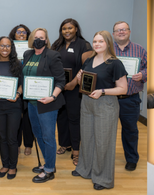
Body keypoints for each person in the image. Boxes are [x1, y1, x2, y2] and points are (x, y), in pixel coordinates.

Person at [71, 31, 128, 190]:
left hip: (105, 103)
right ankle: (85, 169)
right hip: (87, 102)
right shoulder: (89, 60)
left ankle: (103, 178)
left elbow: (123, 89)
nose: (97, 44)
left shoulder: (115, 63)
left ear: (108, 43)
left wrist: (103, 91)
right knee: (87, 138)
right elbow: (80, 81)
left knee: (103, 141)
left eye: (101, 41)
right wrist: (79, 76)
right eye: (95, 41)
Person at [22, 27, 66, 183]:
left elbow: (61, 81)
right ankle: (49, 162)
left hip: (48, 104)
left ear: (46, 40)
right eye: (36, 37)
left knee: (48, 136)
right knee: (38, 134)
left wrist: (52, 97)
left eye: (42, 37)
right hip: (32, 103)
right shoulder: (28, 54)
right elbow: (24, 77)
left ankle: (49, 170)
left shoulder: (53, 55)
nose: (38, 39)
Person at [50, 18, 93, 165]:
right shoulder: (57, 44)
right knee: (61, 117)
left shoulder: (84, 45)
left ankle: (76, 150)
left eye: (70, 28)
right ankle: (65, 144)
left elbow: (87, 66)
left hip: (74, 89)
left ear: (76, 29)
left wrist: (74, 82)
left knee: (74, 118)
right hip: (58, 88)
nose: (67, 31)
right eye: (64, 29)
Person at [112, 21, 148, 171]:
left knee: (130, 130)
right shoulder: (107, 50)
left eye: (124, 29)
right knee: (106, 129)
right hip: (109, 98)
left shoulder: (139, 50)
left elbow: (148, 68)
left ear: (129, 31)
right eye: (117, 30)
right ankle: (106, 158)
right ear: (113, 34)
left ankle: (132, 159)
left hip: (130, 98)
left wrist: (143, 74)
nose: (121, 32)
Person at [0, 36, 24, 180]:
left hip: (13, 105)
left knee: (12, 138)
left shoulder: (17, 64)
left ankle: (13, 166)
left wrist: (18, 94)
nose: (5, 49)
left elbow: (21, 84)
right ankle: (5, 164)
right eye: (2, 46)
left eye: (8, 46)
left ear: (12, 48)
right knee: (2, 137)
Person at [8, 24, 35, 156]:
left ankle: (28, 144)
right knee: (16, 116)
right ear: (14, 34)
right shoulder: (9, 47)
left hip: (30, 84)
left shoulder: (32, 49)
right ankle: (17, 144)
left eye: (24, 32)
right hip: (15, 83)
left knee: (28, 117)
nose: (21, 34)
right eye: (18, 32)